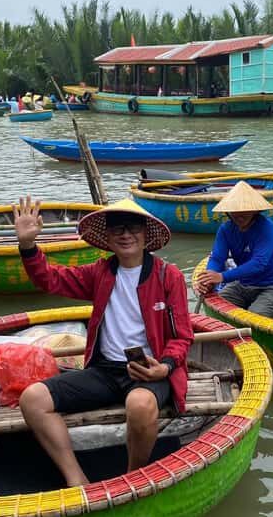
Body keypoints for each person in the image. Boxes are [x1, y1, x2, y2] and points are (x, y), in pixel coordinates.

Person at [15, 198, 193, 486]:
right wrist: (28, 246)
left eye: (133, 227)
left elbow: (183, 335)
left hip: (150, 371)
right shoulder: (100, 273)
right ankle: (77, 478)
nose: (125, 234)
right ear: (107, 238)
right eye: (117, 228)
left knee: (139, 405)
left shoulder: (167, 276)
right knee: (32, 399)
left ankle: (132, 476)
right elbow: (50, 279)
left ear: (145, 233)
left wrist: (164, 366)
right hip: (105, 371)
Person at [194, 181, 273, 317]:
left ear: (255, 210)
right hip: (243, 285)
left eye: (245, 210)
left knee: (254, 317)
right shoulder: (226, 229)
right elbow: (217, 258)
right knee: (218, 307)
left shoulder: (266, 227)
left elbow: (259, 263)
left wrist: (222, 276)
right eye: (235, 210)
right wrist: (209, 278)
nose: (240, 214)